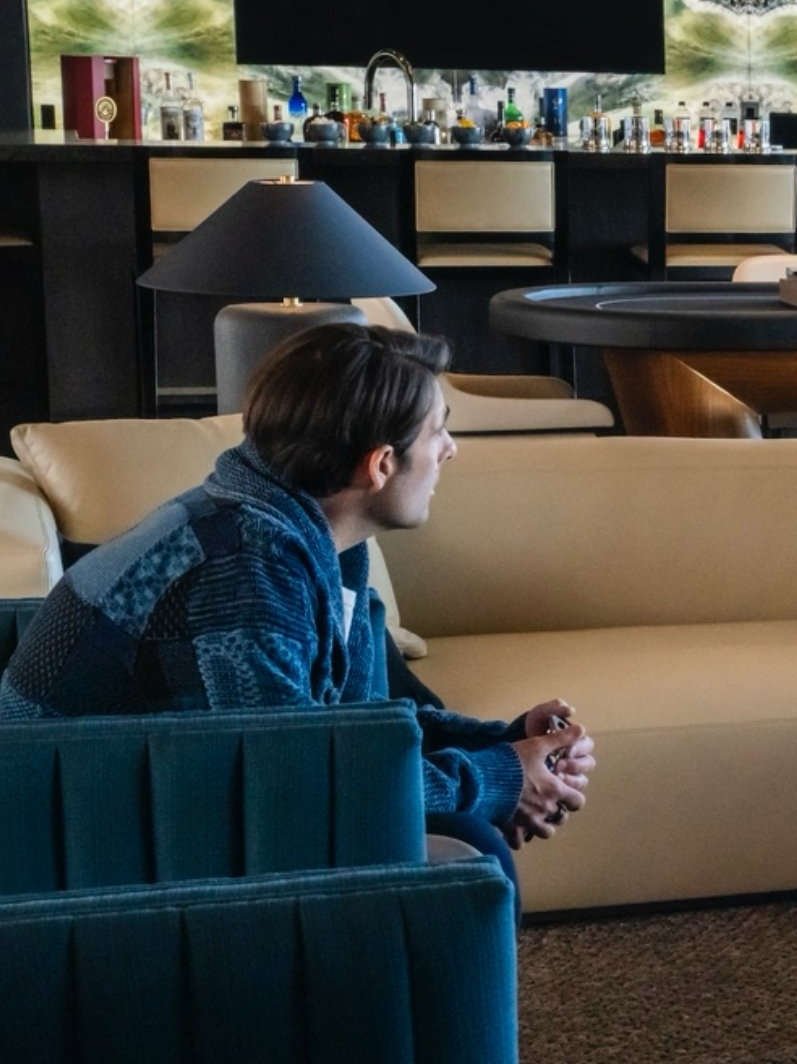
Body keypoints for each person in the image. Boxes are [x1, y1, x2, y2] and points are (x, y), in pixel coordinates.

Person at [0, 322, 596, 878]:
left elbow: (351, 728)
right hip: (67, 841)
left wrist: (503, 747)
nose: (450, 450)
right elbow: (299, 778)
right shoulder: (241, 566)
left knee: (463, 830)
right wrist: (498, 778)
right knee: (470, 854)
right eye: (438, 430)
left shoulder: (315, 537)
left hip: (163, 799)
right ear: (380, 465)